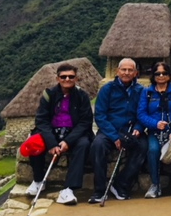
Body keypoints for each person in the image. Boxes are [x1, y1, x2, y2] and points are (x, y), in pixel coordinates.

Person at [25, 63, 94, 205]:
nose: (67, 79)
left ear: (76, 78)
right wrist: (51, 143)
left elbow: (85, 122)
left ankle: (68, 188)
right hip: (52, 132)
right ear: (58, 78)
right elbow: (41, 120)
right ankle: (38, 180)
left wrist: (68, 141)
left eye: (71, 76)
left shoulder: (82, 96)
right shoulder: (48, 95)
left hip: (74, 133)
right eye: (63, 76)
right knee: (34, 141)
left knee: (83, 144)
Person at [88, 58, 147, 203]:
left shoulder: (140, 91)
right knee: (98, 145)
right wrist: (114, 137)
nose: (126, 73)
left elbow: (143, 113)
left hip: (131, 130)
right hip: (110, 131)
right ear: (117, 71)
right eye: (123, 69)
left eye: (130, 70)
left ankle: (121, 185)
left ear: (135, 73)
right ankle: (100, 190)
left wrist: (139, 128)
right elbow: (100, 115)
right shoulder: (107, 89)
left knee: (143, 146)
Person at [137, 62, 171, 198]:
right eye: (158, 73)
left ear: (169, 75)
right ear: (153, 75)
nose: (161, 76)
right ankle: (155, 184)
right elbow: (141, 113)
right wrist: (155, 123)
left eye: (164, 73)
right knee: (153, 150)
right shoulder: (147, 92)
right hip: (155, 131)